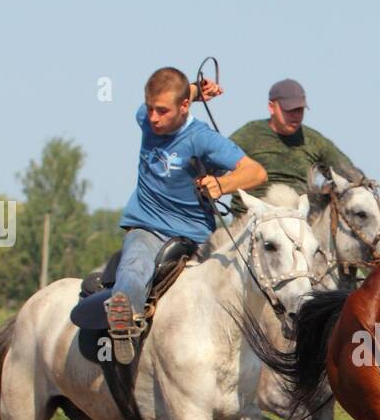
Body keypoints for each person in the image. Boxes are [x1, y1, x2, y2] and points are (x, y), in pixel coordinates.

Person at [104, 66, 267, 364]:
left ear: (183, 107)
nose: (153, 117)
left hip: (197, 238)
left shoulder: (203, 139)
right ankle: (124, 322)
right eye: (150, 108)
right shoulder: (145, 120)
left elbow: (256, 172)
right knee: (134, 266)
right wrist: (195, 89)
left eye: (162, 111)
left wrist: (222, 184)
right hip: (147, 227)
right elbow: (171, 100)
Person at [228, 78, 360, 214]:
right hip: (252, 219)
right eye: (289, 110)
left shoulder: (314, 140)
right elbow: (214, 167)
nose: (295, 116)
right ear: (271, 107)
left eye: (299, 110)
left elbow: (349, 174)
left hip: (298, 220)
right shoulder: (247, 135)